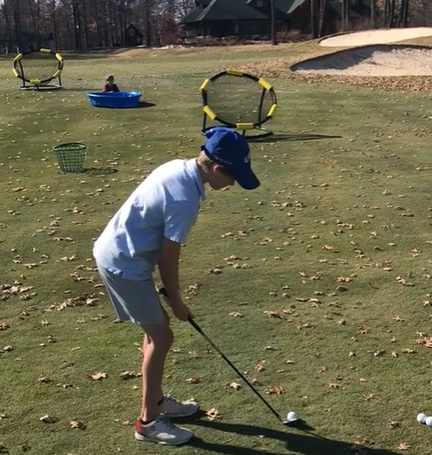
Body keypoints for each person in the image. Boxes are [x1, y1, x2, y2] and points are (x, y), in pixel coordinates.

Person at [93, 127, 260, 445]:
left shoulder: (177, 167)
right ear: (215, 168)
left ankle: (155, 401)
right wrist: (177, 301)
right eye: (234, 176)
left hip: (121, 252)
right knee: (162, 335)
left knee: (157, 332)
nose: (233, 184)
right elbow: (168, 259)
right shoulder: (185, 200)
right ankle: (149, 422)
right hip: (124, 263)